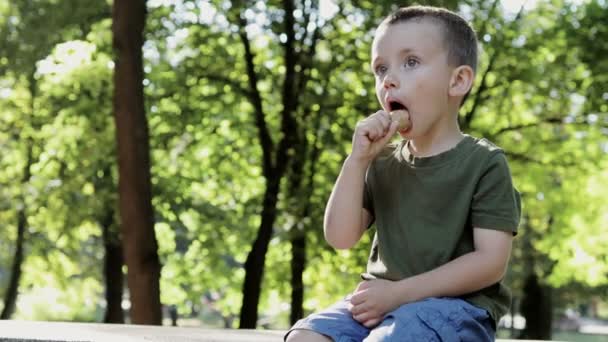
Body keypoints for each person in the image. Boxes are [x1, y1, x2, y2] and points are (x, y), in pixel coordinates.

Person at [285, 5, 521, 341]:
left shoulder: (484, 163)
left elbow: (490, 263)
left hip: (456, 311)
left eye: (410, 62)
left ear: (457, 81)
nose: (389, 80)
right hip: (380, 304)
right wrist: (356, 161)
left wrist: (399, 294)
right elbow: (340, 237)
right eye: (380, 69)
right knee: (305, 338)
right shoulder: (380, 163)